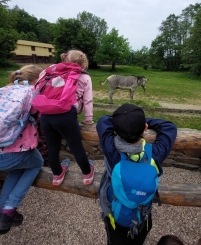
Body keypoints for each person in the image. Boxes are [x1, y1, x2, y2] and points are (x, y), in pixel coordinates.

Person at [96, 103, 177, 245]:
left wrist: (124, 124)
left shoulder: (112, 150)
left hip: (117, 211)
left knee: (115, 239)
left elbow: (103, 120)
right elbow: (169, 127)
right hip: (142, 212)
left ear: (115, 132)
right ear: (145, 128)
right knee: (138, 237)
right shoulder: (155, 153)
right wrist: (142, 123)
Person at [39, 50, 95, 187]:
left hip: (45, 115)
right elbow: (88, 100)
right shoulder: (84, 77)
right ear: (83, 63)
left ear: (65, 60)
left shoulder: (50, 72)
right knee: (75, 146)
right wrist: (88, 118)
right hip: (66, 114)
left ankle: (57, 175)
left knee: (52, 147)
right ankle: (87, 174)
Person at [0, 65, 44, 234]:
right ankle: (10, 208)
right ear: (37, 80)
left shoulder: (5, 90)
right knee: (36, 162)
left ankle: (2, 214)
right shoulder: (32, 93)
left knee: (17, 170)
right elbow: (42, 116)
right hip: (11, 153)